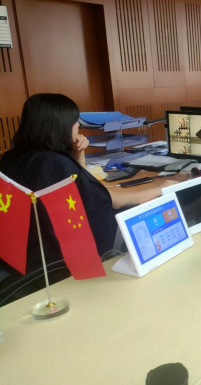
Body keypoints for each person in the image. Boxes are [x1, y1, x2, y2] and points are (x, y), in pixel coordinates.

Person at [0, 94, 176, 275]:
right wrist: (159, 189)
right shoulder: (54, 163)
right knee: (155, 208)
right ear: (60, 126)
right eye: (75, 122)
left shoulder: (11, 157)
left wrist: (78, 154)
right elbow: (112, 200)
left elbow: (84, 188)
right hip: (69, 256)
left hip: (26, 253)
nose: (78, 127)